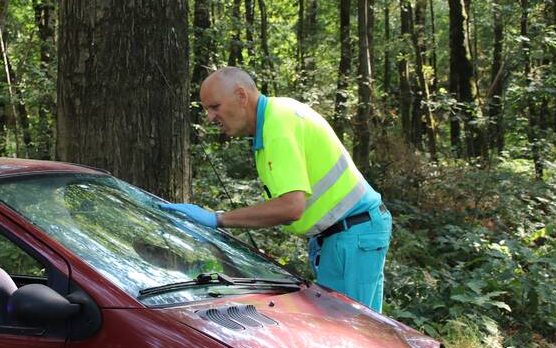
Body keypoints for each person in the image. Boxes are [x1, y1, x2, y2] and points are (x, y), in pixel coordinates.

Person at [162, 67, 392, 312]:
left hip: (351, 234)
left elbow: (291, 207)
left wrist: (217, 219)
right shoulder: (273, 120)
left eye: (215, 106)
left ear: (241, 96)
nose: (209, 117)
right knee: (355, 331)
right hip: (344, 234)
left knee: (351, 336)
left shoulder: (278, 126)